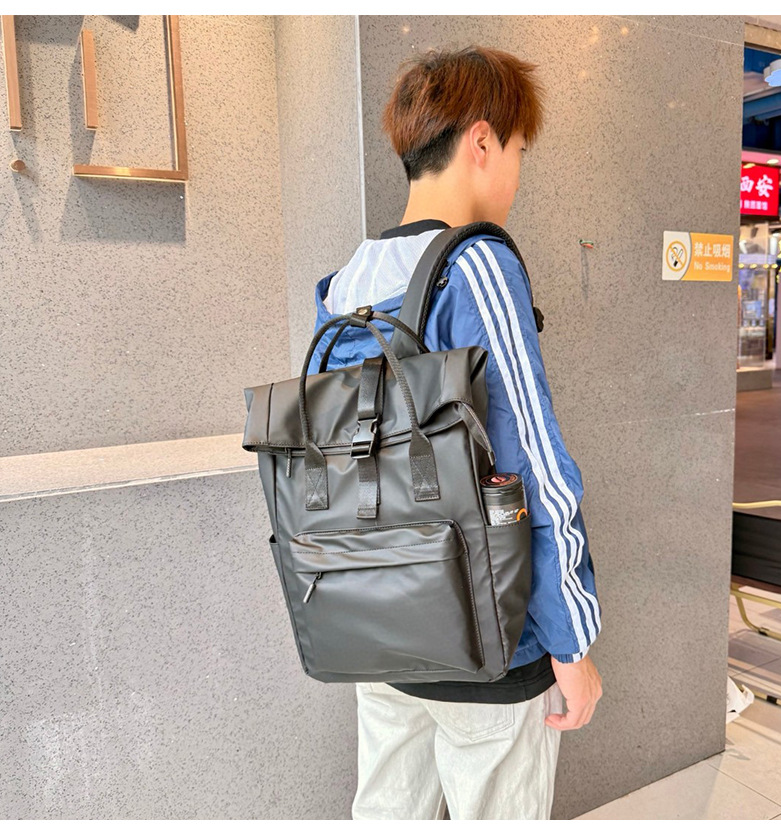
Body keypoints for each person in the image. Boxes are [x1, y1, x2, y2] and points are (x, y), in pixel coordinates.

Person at [308, 45, 602, 821]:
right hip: (487, 641)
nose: (516, 173)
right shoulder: (476, 267)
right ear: (481, 142)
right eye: (518, 151)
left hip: (377, 626)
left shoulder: (347, 282)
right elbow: (532, 458)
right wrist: (571, 640)